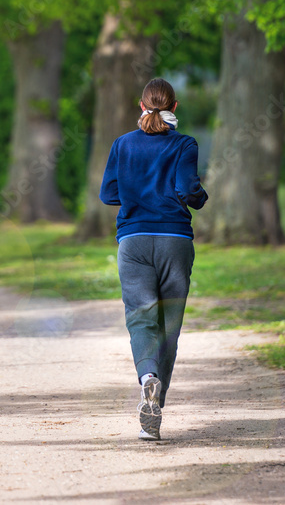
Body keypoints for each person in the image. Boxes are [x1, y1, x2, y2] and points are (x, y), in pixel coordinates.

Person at [99, 78, 208, 441]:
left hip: (133, 242)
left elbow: (108, 193)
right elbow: (186, 188)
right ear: (174, 107)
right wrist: (200, 197)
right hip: (175, 241)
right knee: (169, 329)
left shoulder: (122, 145)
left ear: (141, 105)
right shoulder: (184, 144)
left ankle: (147, 378)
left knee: (141, 318)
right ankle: (157, 406)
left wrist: (136, 192)